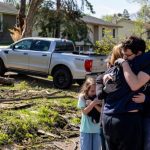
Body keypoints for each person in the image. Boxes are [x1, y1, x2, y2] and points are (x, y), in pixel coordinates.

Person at [96, 36, 150, 150]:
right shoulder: (120, 67)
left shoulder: (124, 66)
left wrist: (146, 98)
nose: (124, 58)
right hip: (125, 120)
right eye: (123, 55)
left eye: (128, 55)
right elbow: (134, 85)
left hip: (110, 118)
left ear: (139, 53)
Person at [78, 77, 101, 150]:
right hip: (86, 130)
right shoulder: (82, 97)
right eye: (92, 91)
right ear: (86, 90)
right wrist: (93, 103)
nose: (94, 93)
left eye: (96, 91)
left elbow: (102, 111)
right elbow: (84, 112)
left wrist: (94, 104)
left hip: (97, 130)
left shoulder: (99, 97)